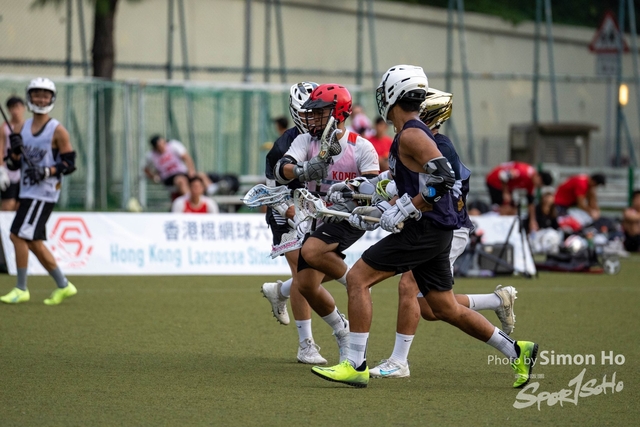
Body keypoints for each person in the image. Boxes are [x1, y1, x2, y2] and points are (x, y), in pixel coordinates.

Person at [311, 65, 538, 389]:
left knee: (358, 278)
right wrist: (357, 193)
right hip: (435, 230)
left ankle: (355, 364)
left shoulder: (412, 134)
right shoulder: (408, 134)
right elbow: (398, 182)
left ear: (393, 95)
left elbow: (443, 178)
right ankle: (517, 350)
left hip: (426, 229)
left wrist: (408, 207)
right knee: (444, 307)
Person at [366, 88, 517, 379]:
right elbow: (402, 182)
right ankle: (498, 303)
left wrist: (397, 204)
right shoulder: (418, 140)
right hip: (432, 224)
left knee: (408, 286)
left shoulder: (437, 146)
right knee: (432, 307)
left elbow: (434, 190)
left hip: (446, 226)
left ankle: (398, 361)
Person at [273, 83, 379, 363]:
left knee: (311, 251)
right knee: (306, 285)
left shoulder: (361, 147)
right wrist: (303, 169)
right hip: (316, 219)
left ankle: (355, 281)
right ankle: (342, 330)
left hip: (347, 218)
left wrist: (349, 190)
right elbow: (281, 170)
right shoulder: (306, 141)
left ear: (338, 113)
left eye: (319, 112)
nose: (311, 118)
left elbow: (373, 188)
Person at [260, 81, 331, 365]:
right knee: (303, 271)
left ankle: (279, 291)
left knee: (317, 272)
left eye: (316, 111)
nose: (311, 117)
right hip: (286, 211)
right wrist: (289, 210)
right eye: (306, 112)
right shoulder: (282, 145)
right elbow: (271, 191)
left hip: (316, 211)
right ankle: (306, 345)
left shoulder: (331, 139)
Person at [0, 78, 78, 305]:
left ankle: (21, 288)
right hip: (26, 190)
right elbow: (14, 163)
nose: (41, 99)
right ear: (29, 97)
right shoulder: (21, 128)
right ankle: (63, 285)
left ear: (51, 99)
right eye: (36, 95)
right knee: (32, 241)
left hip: (43, 193)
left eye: (45, 95)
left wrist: (46, 172)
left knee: (17, 235)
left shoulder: (57, 130)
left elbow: (69, 163)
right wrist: (14, 152)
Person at [485, 161, 553, 232]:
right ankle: (495, 229)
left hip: (507, 187)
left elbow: (530, 202)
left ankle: (506, 230)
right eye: (540, 184)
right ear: (539, 177)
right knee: (505, 208)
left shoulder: (532, 183)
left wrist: (532, 220)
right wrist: (505, 192)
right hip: (495, 181)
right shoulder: (523, 172)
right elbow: (503, 176)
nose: (538, 186)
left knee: (513, 210)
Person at [0, 96, 26, 211]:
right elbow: (1, 149)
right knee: (8, 204)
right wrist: (1, 169)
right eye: (12, 108)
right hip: (9, 171)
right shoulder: (4, 127)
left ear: (23, 108)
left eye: (18, 107)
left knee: (20, 205)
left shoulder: (29, 126)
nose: (15, 111)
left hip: (24, 171)